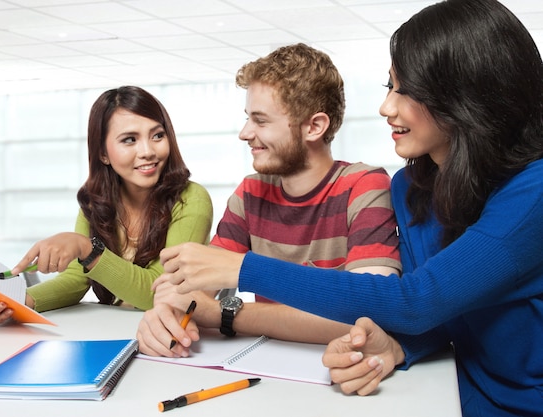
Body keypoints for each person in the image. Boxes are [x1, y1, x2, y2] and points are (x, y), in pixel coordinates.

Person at [155, 1, 543, 416]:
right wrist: (396, 347)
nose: (386, 107)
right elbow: (448, 313)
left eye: (406, 90)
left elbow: (417, 301)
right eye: (389, 86)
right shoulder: (412, 187)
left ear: (466, 94)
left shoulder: (533, 193)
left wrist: (239, 270)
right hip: (453, 392)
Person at [137, 43, 401, 357]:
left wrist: (227, 314)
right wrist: (163, 317)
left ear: (314, 127)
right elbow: (191, 293)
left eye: (261, 121)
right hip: (263, 364)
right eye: (248, 118)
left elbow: (369, 316)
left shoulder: (364, 186)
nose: (245, 133)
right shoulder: (250, 193)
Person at [0, 86, 213, 324]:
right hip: (115, 331)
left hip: (171, 338)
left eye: (157, 135)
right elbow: (75, 280)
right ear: (103, 153)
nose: (148, 151)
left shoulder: (191, 199)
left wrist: (87, 249)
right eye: (129, 140)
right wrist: (18, 303)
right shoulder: (97, 202)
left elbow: (159, 293)